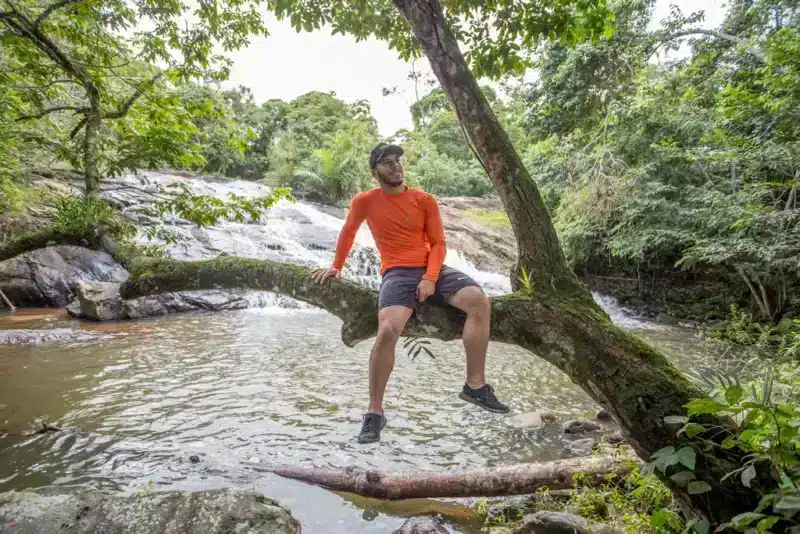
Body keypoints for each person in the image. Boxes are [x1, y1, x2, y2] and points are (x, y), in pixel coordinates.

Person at [311, 142, 509, 444]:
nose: (396, 166)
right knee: (388, 330)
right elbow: (349, 231)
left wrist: (430, 278)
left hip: (433, 268)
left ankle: (475, 385)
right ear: (374, 172)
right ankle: (375, 412)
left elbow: (438, 243)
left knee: (479, 302)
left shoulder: (424, 199)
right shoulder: (364, 201)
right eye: (387, 162)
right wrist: (336, 266)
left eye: (398, 160)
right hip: (397, 273)